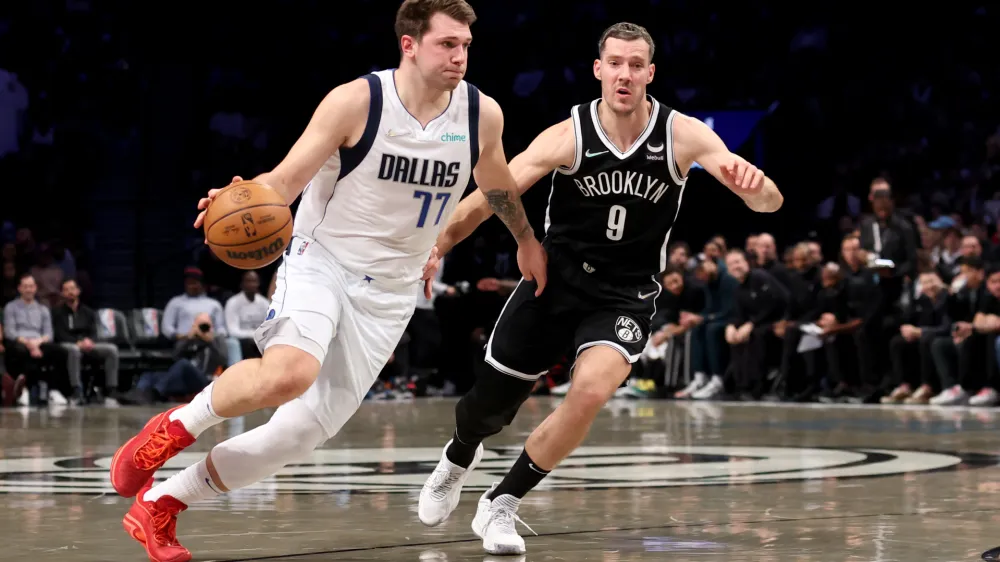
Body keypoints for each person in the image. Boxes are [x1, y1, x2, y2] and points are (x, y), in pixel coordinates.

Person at [108, 2, 546, 561]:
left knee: (297, 434)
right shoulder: (357, 101)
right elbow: (286, 179)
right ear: (409, 44)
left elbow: (498, 183)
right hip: (323, 262)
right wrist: (241, 196)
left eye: (465, 45)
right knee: (291, 372)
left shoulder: (482, 114)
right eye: (446, 44)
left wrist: (526, 239)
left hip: (392, 289)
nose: (459, 56)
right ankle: (170, 430)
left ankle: (160, 505)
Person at [417, 22, 783, 555]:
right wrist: (438, 244)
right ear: (599, 69)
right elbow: (496, 191)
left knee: (589, 392)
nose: (625, 74)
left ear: (650, 73)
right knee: (487, 408)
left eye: (636, 65)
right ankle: (457, 456)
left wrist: (759, 190)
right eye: (615, 63)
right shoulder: (569, 134)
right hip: (555, 279)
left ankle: (502, 503)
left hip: (626, 293)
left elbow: (767, 201)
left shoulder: (683, 136)